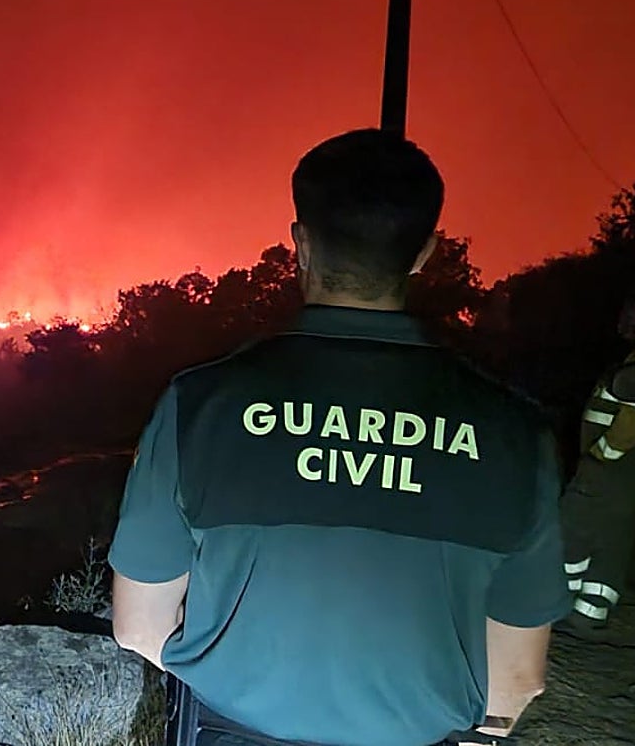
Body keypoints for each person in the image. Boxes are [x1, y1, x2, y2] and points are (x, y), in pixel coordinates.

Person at [108, 128, 571, 746]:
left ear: (300, 244)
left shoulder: (198, 404)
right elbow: (515, 683)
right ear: (424, 253)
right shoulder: (515, 432)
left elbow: (139, 628)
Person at [557, 293, 635, 638]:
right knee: (612, 538)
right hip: (626, 478)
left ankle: (557, 602)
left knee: (572, 526)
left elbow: (629, 422)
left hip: (604, 472)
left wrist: (601, 455)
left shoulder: (630, 370)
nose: (623, 318)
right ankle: (590, 613)